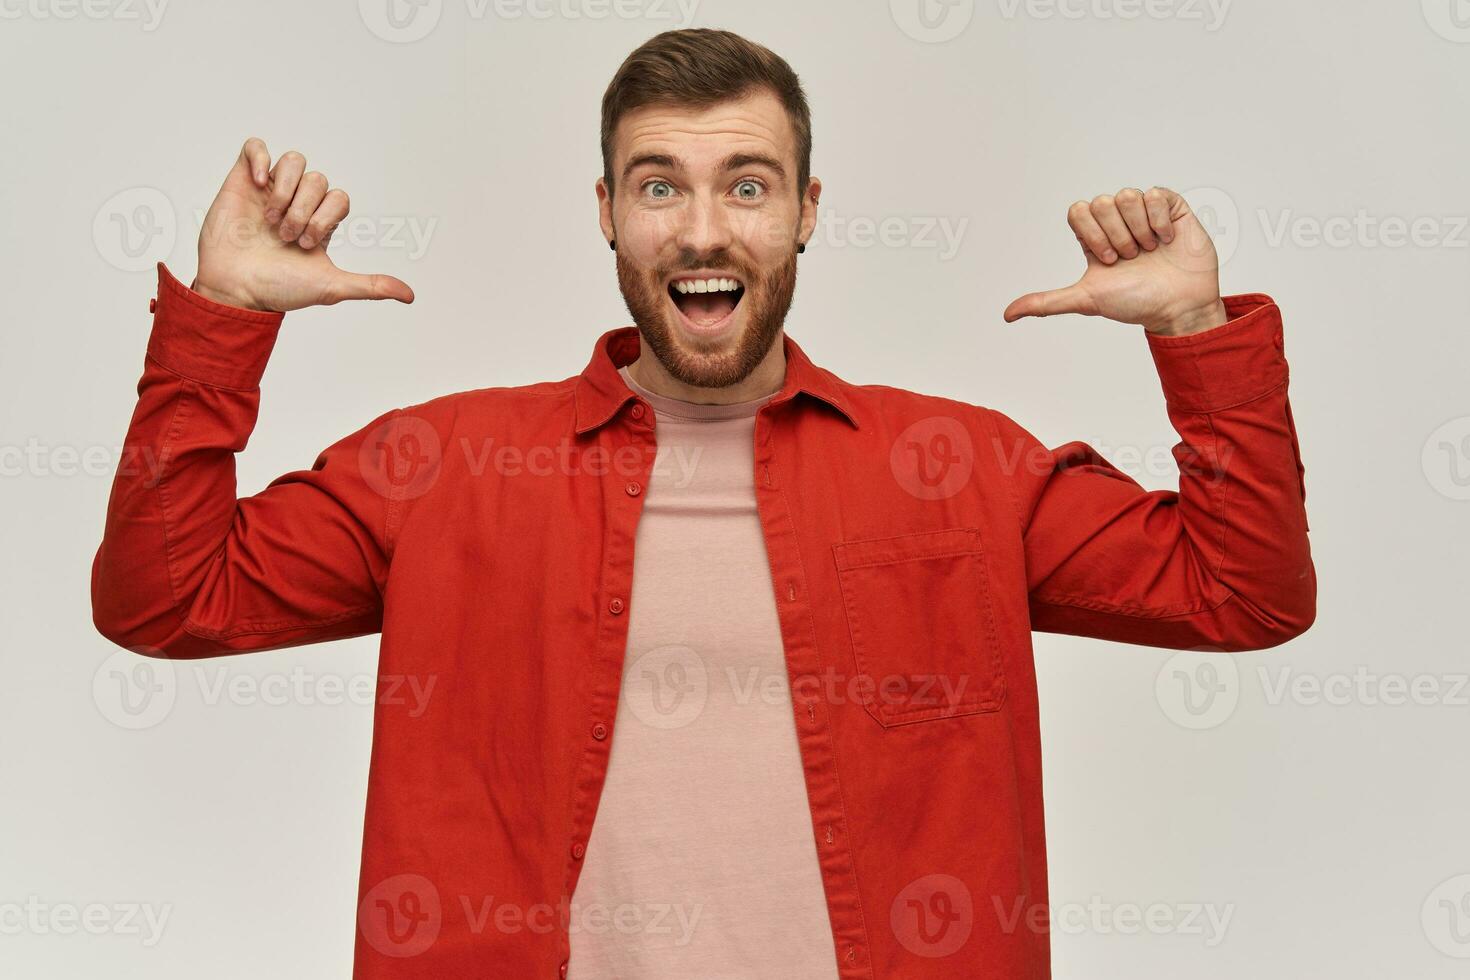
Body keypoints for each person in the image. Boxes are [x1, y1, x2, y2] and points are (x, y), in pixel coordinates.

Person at [90, 27, 1315, 980]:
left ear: (806, 212)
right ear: (609, 212)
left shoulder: (957, 465)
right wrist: (227, 317)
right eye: (660, 186)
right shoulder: (448, 462)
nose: (702, 226)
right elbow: (164, 599)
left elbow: (1244, 591)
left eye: (747, 185)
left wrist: (1192, 330)